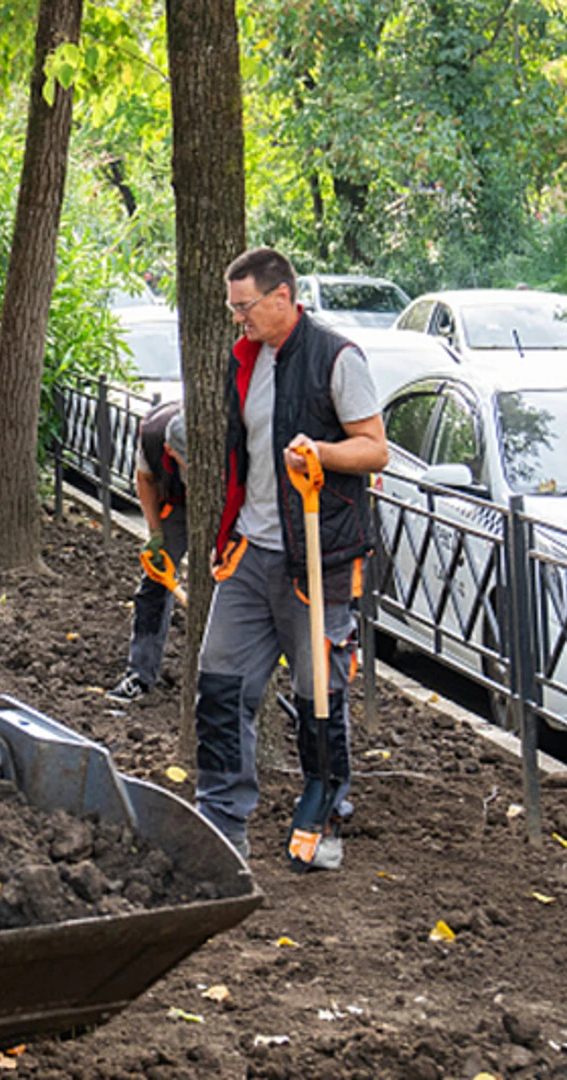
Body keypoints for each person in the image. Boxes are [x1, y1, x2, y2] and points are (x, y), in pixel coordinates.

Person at [193, 246, 387, 871]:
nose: (237, 319)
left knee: (318, 695)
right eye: (232, 308)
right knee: (220, 682)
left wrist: (323, 455)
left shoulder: (338, 358)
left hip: (319, 557)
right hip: (252, 554)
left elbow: (375, 450)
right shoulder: (246, 359)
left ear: (283, 297)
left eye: (244, 306)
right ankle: (221, 823)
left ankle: (324, 814)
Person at [106, 401, 187, 705]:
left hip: (228, 503)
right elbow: (146, 480)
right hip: (176, 504)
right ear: (170, 451)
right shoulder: (153, 434)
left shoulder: (230, 428)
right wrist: (155, 533)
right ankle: (139, 674)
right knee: (154, 584)